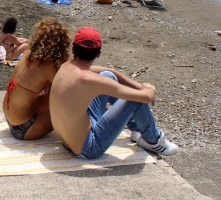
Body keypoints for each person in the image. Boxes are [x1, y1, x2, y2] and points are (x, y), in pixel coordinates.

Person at [50, 27, 179, 158]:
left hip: (71, 138)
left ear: (73, 49)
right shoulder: (91, 80)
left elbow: (108, 71)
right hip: (88, 147)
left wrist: (138, 86)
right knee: (135, 101)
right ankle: (153, 140)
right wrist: (149, 88)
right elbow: (146, 97)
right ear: (99, 53)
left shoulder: (65, 67)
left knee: (107, 75)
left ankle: (136, 129)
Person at [3, 18, 71, 140]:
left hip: (10, 121)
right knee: (68, 102)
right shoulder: (49, 66)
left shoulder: (27, 54)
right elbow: (65, 93)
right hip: (24, 128)